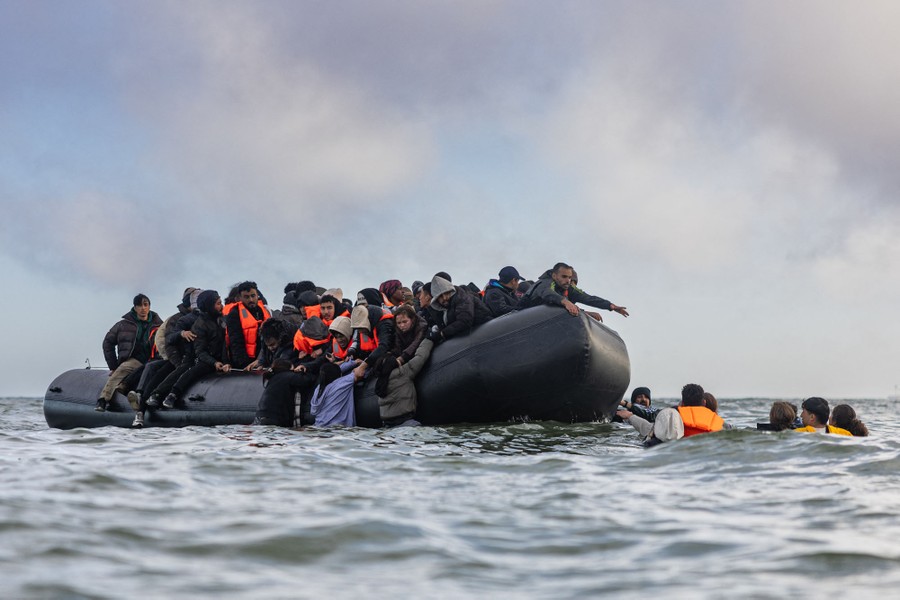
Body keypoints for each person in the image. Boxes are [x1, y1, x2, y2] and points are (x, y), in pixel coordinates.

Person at [161, 290, 232, 409]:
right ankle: (173, 394)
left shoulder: (223, 321)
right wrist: (214, 362)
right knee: (193, 371)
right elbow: (200, 351)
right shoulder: (200, 325)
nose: (222, 306)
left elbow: (225, 344)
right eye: (218, 303)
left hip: (223, 357)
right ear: (209, 306)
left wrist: (226, 362)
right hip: (208, 359)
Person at [97, 294, 162, 413]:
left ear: (149, 306)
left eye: (145, 305)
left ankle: (143, 402)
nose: (143, 308)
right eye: (139, 305)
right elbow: (108, 343)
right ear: (135, 307)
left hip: (153, 360)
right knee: (121, 370)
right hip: (134, 360)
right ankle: (103, 400)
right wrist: (113, 366)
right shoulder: (123, 325)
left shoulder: (159, 325)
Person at [520, 262, 628, 320]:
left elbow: (587, 297)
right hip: (522, 317)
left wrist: (610, 306)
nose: (568, 281)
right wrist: (566, 302)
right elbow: (548, 293)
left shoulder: (567, 287)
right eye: (564, 276)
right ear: (554, 275)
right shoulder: (545, 283)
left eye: (569, 277)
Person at [378, 338, 434, 427]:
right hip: (405, 422)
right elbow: (421, 356)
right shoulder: (403, 372)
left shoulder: (380, 380)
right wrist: (429, 339)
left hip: (387, 425)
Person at [429, 275, 493, 342]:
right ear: (436, 300)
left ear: (451, 291)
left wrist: (442, 333)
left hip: (485, 331)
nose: (444, 298)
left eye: (446, 293)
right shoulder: (446, 308)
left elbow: (465, 321)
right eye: (440, 296)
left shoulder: (462, 298)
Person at [225, 281, 271, 371]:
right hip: (245, 362)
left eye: (253, 296)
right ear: (240, 298)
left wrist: (262, 360)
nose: (251, 300)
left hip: (261, 359)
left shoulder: (262, 311)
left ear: (257, 295)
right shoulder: (234, 314)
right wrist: (244, 365)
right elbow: (236, 342)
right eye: (246, 297)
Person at [348, 304, 395, 379]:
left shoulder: (385, 324)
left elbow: (384, 346)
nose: (360, 332)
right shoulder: (364, 328)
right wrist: (352, 356)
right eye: (358, 329)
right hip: (372, 362)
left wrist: (364, 365)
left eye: (361, 328)